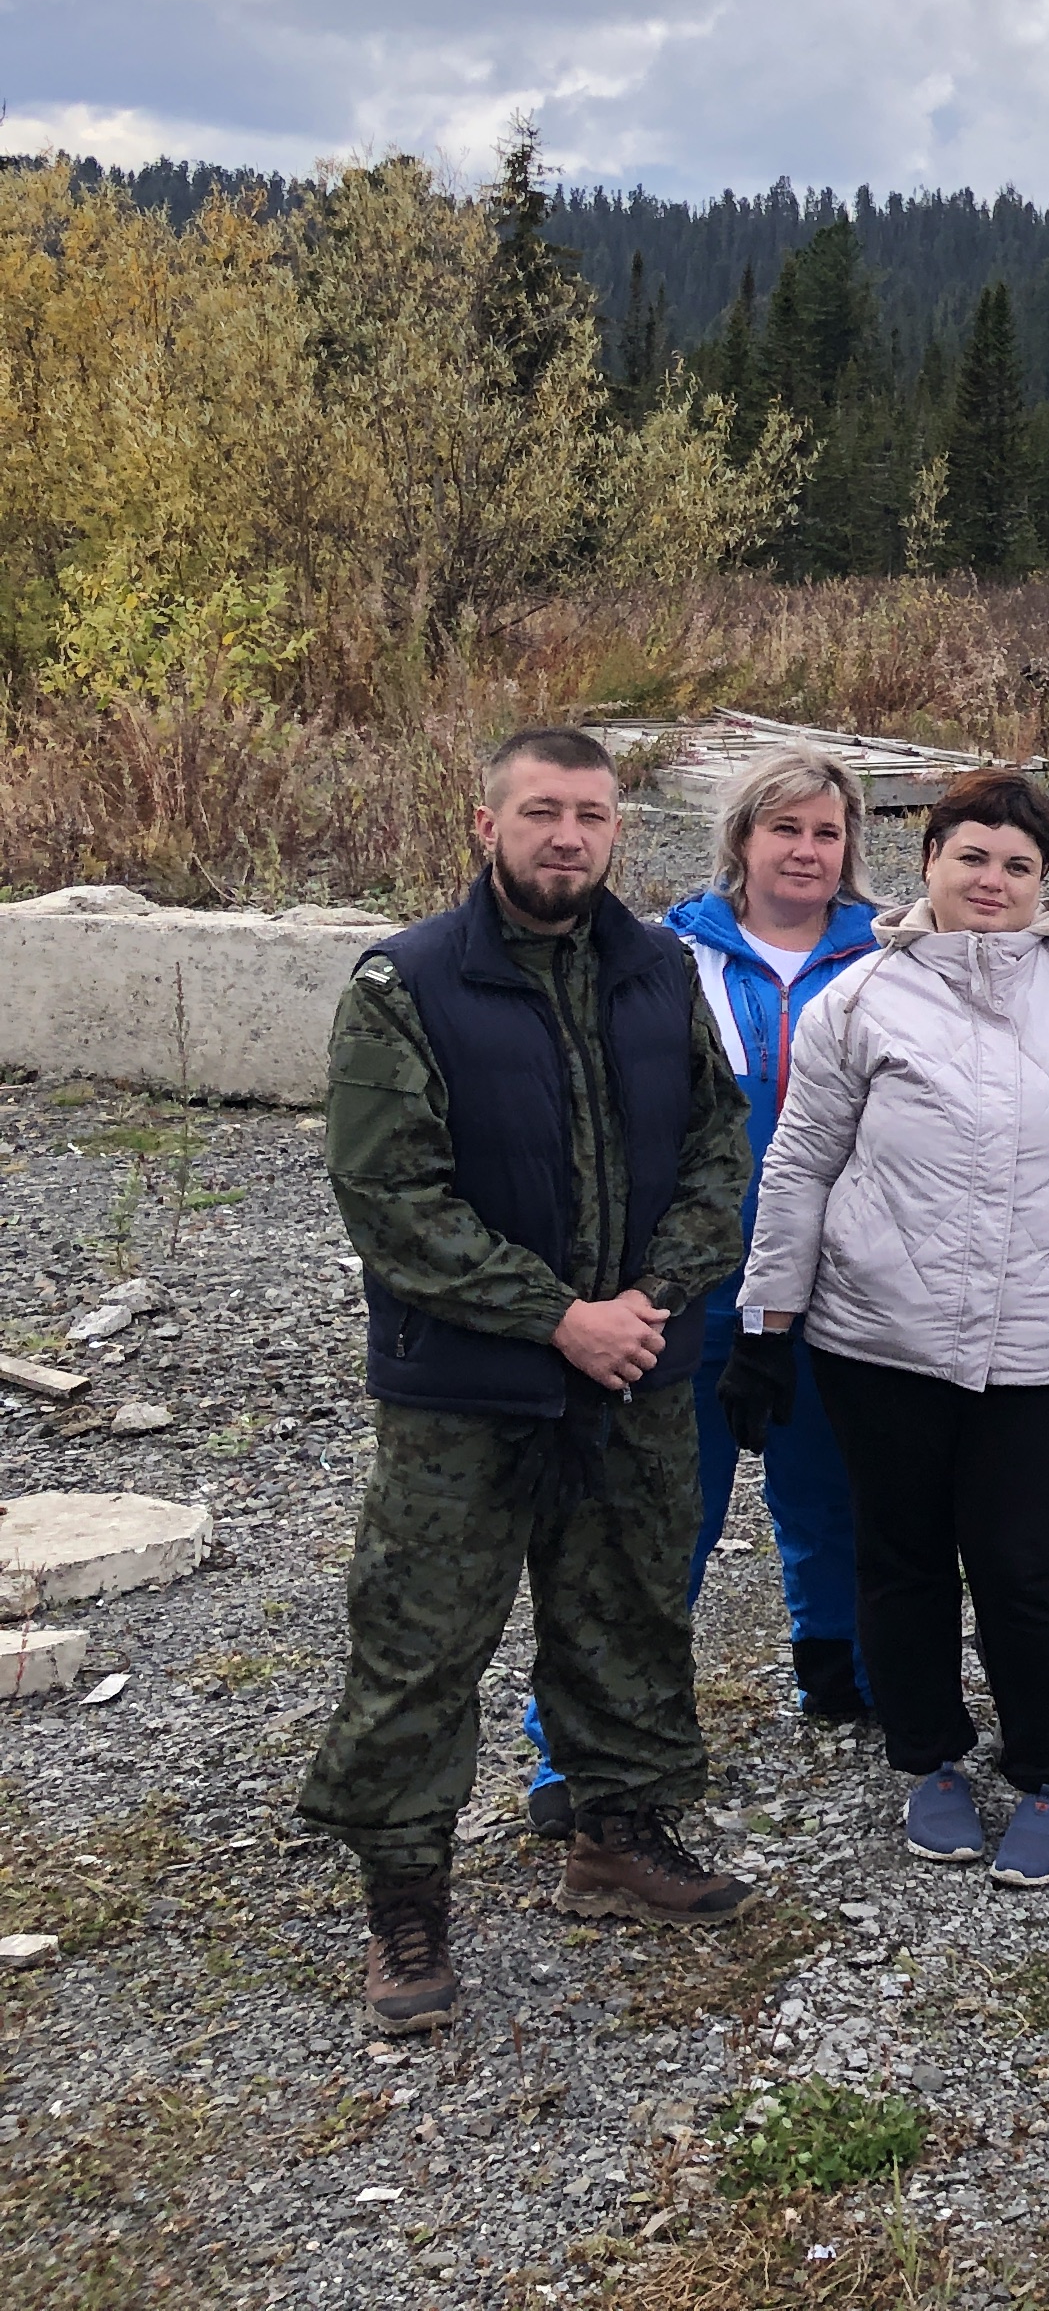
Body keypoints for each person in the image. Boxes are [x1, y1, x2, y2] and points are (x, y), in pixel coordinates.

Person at [303, 728, 762, 2034]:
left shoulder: (659, 968)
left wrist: (649, 1301)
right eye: (543, 811)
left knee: (626, 1606)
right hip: (466, 1387)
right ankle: (405, 1899)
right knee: (422, 1638)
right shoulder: (406, 982)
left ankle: (617, 1835)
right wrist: (561, 1318)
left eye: (592, 815)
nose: (568, 836)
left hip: (635, 1368)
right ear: (486, 824)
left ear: (618, 832)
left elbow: (721, 1149)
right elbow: (391, 1198)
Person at [740, 768, 1049, 1888]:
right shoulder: (860, 997)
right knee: (902, 1559)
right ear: (930, 862)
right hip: (879, 1333)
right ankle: (930, 1760)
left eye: (1017, 864)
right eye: (971, 857)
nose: (992, 880)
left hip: (1043, 1334)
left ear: (1047, 880)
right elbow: (802, 1162)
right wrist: (767, 1321)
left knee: (1022, 1564)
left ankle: (1045, 1771)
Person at [515, 746, 883, 1843]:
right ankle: (576, 1744)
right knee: (655, 1516)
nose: (806, 852)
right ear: (742, 840)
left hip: (845, 1282)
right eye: (785, 829)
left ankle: (840, 1668)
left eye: (826, 833)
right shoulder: (659, 956)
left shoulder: (893, 955)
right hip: (686, 1285)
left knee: (837, 1494)